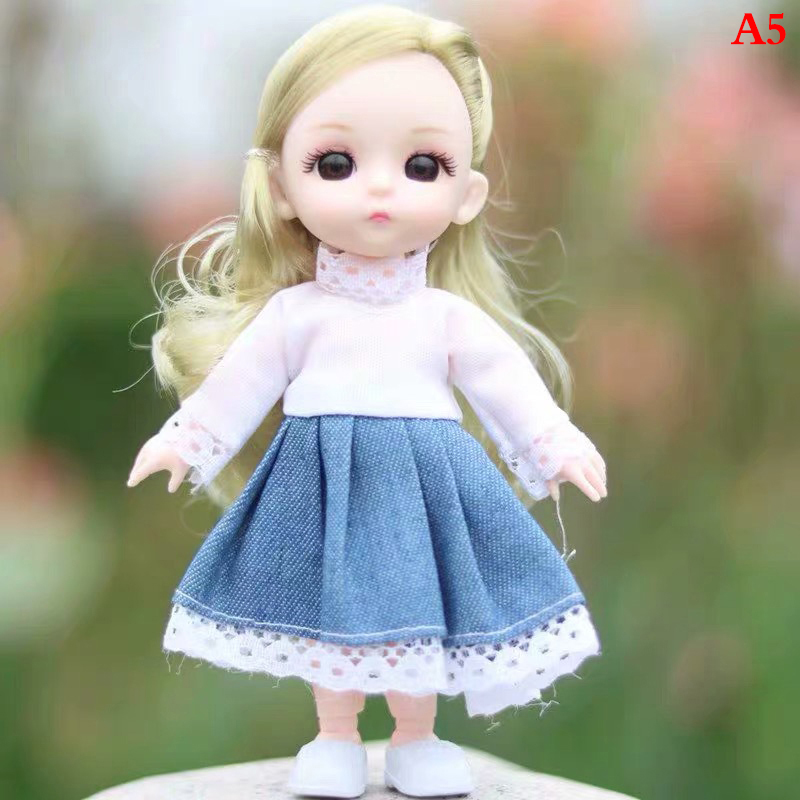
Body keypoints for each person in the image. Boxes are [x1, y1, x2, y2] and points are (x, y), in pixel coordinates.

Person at [127, 6, 607, 798]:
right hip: (320, 479)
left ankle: (416, 736)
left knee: (419, 607)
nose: (381, 186)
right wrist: (187, 438)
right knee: (333, 613)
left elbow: (504, 380)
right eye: (336, 162)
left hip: (425, 484)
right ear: (280, 187)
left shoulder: (444, 317)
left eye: (422, 164)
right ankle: (336, 734)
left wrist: (554, 443)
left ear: (466, 195)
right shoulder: (298, 315)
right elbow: (243, 381)